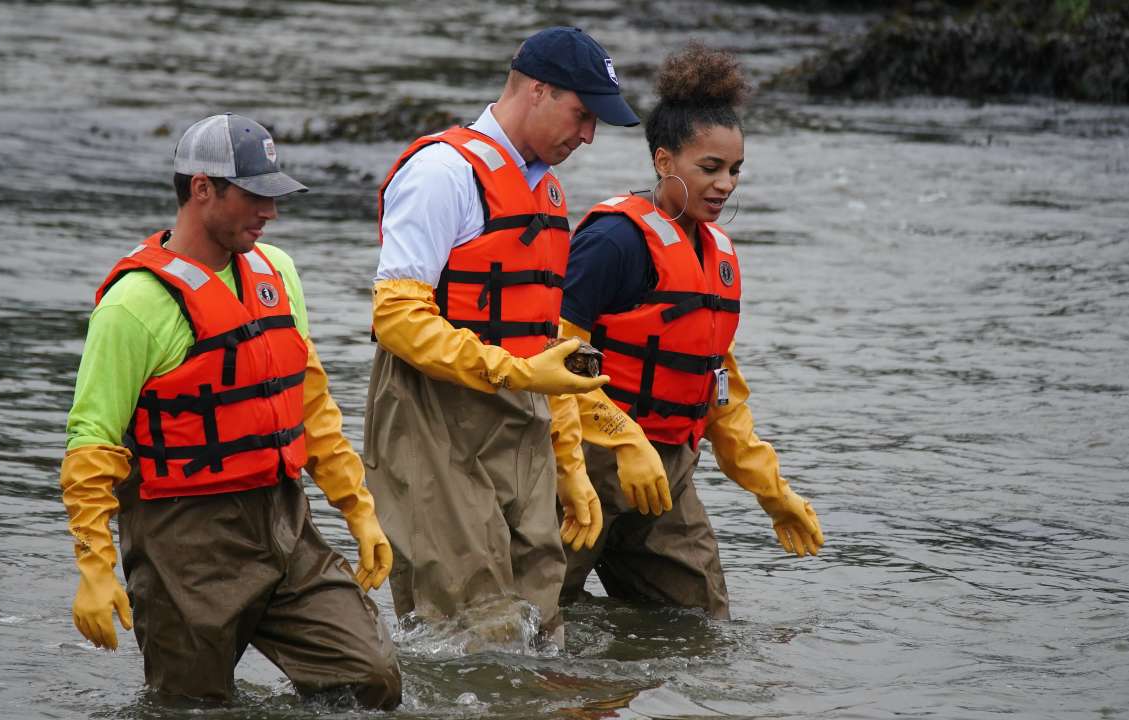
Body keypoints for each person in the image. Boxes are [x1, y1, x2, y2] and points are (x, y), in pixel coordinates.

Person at [58, 113, 401, 707]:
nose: (270, 212)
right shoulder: (133, 305)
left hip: (283, 523)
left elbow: (311, 403)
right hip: (183, 547)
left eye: (275, 196)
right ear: (202, 189)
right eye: (255, 196)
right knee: (190, 709)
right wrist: (95, 567)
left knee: (370, 679)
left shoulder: (278, 272)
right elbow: (91, 442)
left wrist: (358, 510)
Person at [363, 27, 639, 644]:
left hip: (523, 416)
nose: (589, 135)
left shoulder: (545, 189)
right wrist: (518, 376)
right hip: (432, 412)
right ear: (538, 90)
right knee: (470, 619)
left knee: (540, 615)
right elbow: (398, 319)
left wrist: (568, 462)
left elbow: (546, 339)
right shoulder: (442, 173)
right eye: (583, 114)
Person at [555, 42, 825, 619]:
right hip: (585, 464)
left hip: (668, 478)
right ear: (663, 162)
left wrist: (774, 494)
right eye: (710, 168)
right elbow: (553, 356)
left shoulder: (720, 258)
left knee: (701, 630)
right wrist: (618, 444)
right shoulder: (613, 242)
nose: (725, 183)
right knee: (532, 624)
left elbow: (719, 394)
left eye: (734, 170)